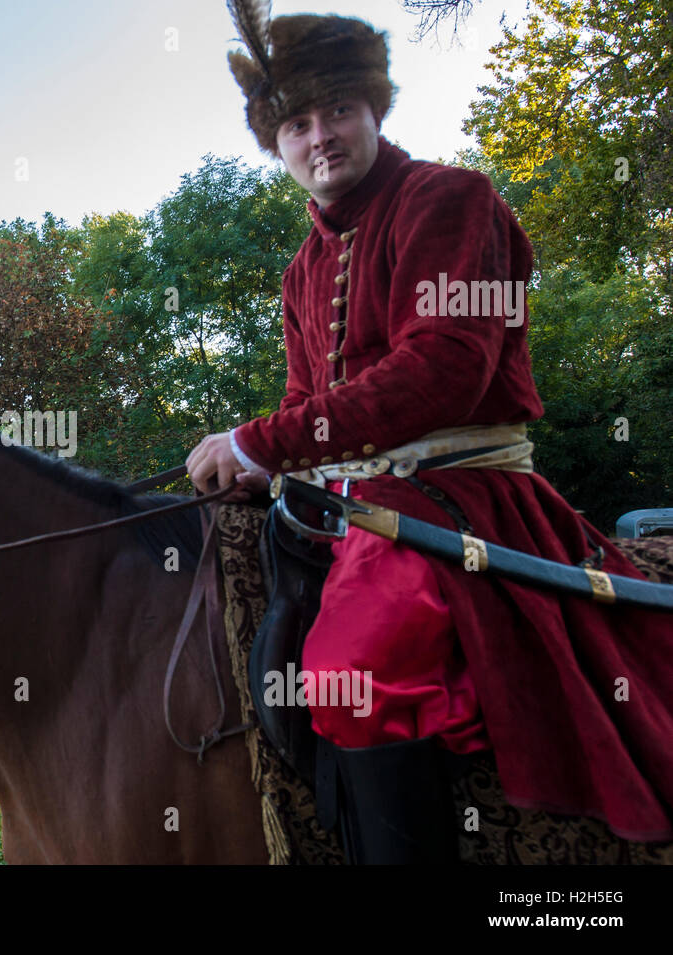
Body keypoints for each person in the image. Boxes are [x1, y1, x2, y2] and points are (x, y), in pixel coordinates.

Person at [185, 11, 673, 862]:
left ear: (374, 109)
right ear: (279, 143)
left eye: (336, 110)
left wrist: (257, 440)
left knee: (353, 667)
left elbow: (443, 370)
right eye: (296, 124)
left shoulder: (452, 200)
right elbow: (310, 406)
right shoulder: (303, 266)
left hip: (464, 490)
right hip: (348, 503)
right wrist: (258, 466)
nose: (319, 137)